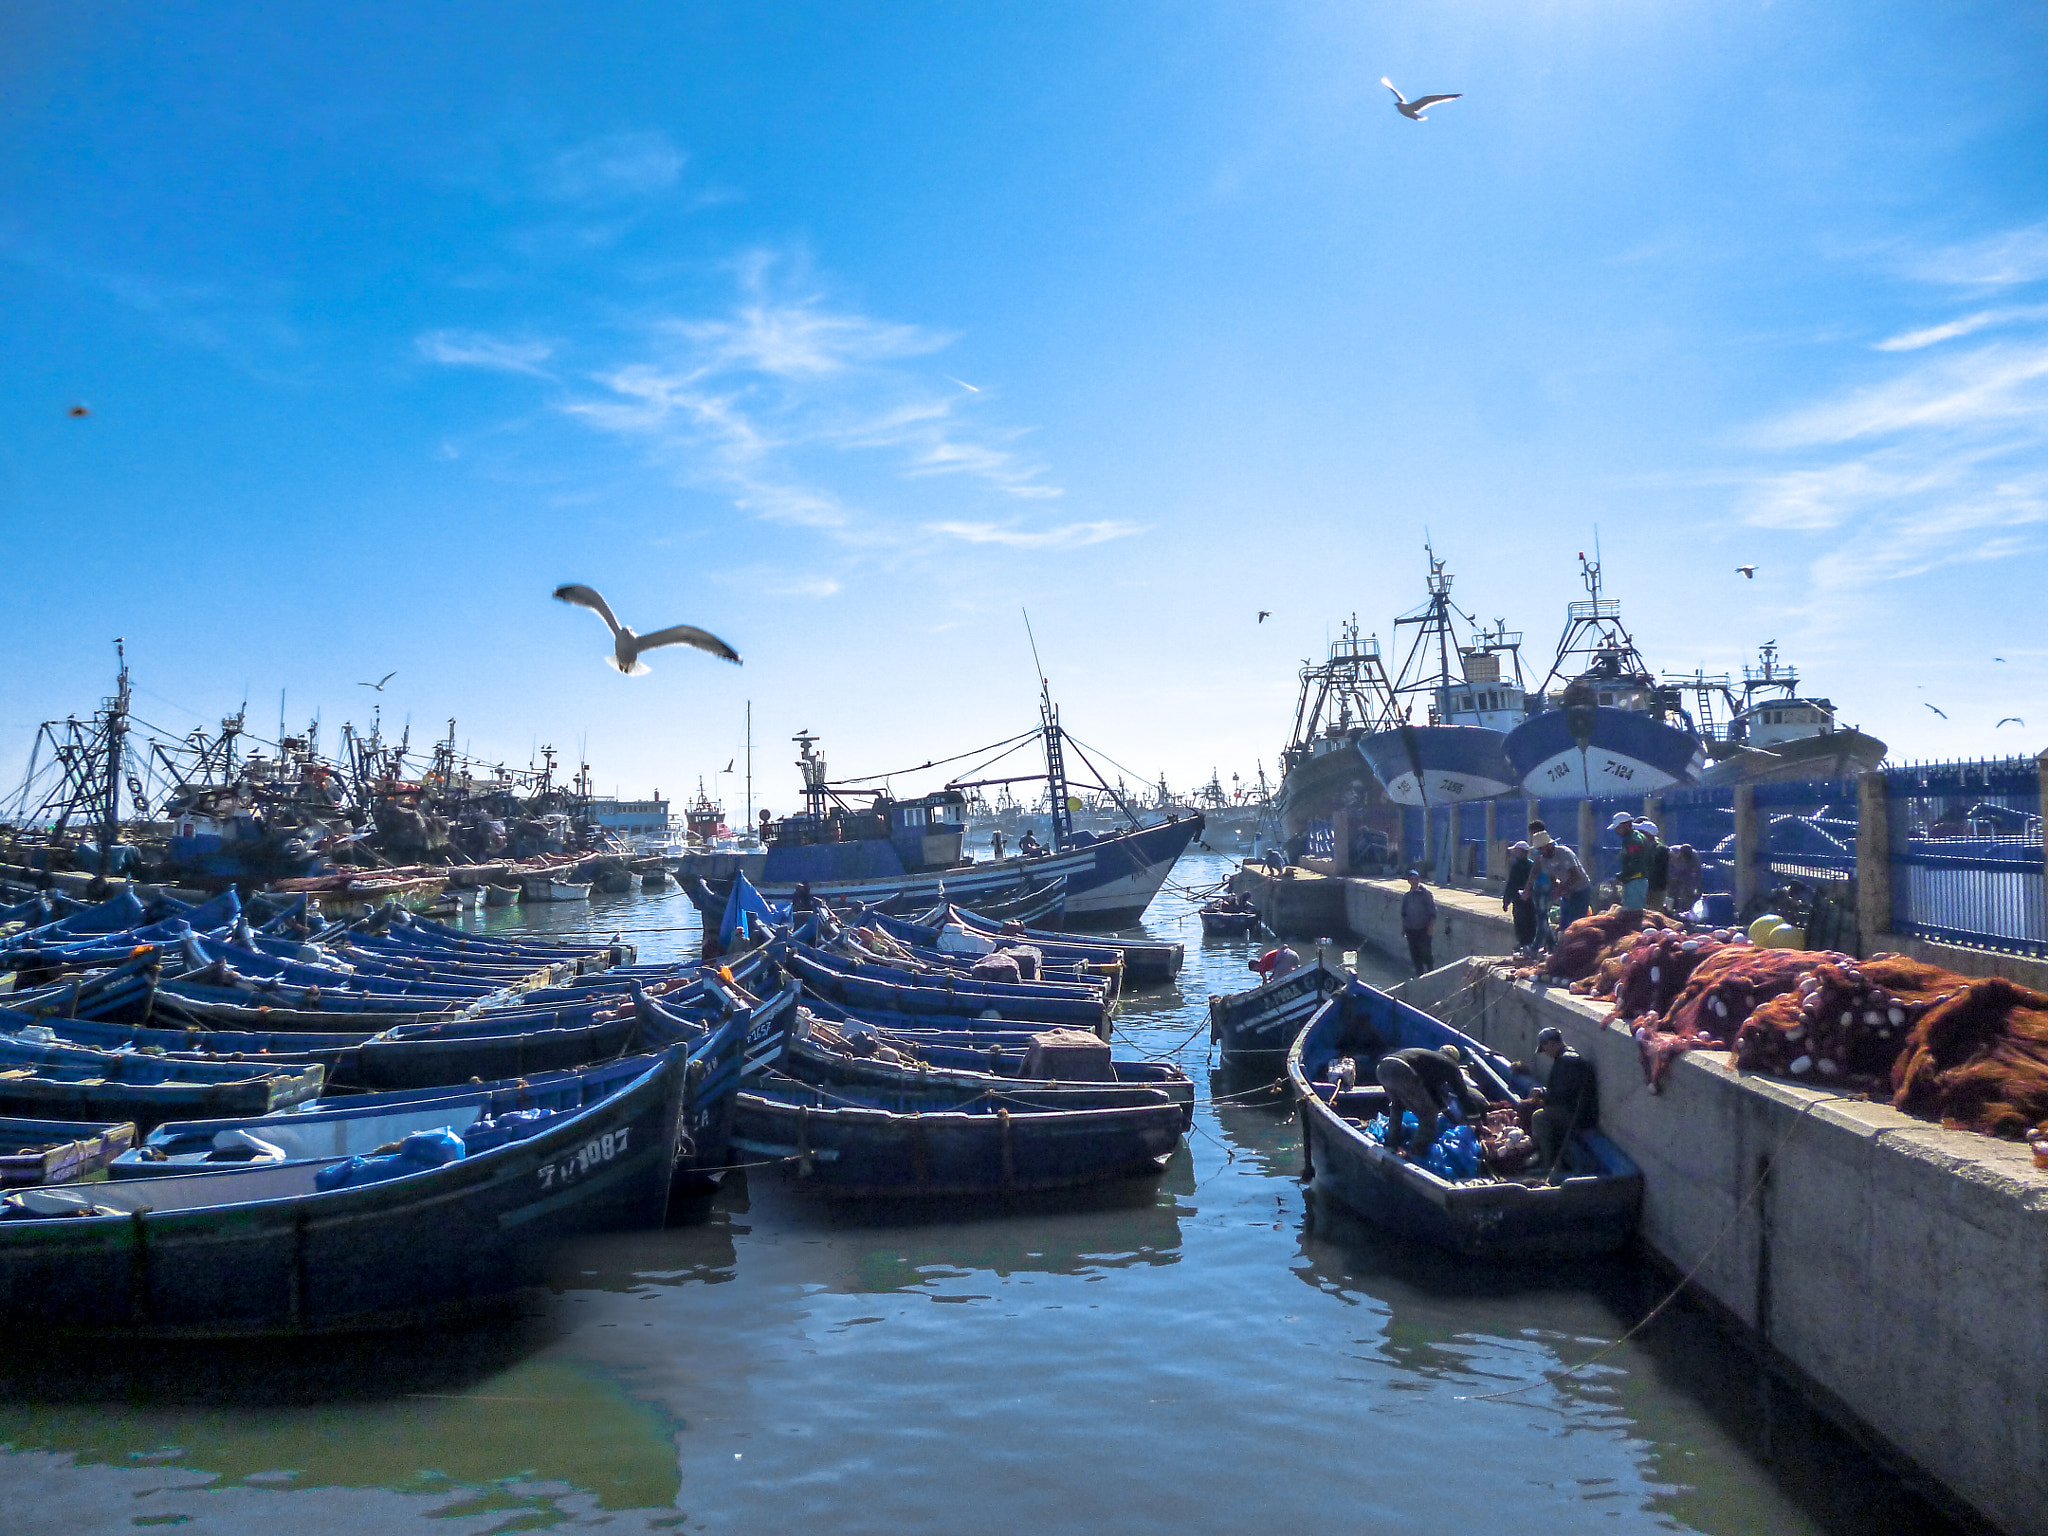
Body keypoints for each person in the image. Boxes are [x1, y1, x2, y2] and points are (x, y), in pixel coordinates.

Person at [1375, 1043, 1491, 1157]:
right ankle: (1415, 1153)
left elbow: (1434, 1094)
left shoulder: (1429, 1061)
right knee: (1428, 1116)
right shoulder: (1450, 1066)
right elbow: (1463, 1094)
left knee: (1397, 1106)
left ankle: (1391, 1145)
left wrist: (1449, 1116)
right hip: (1402, 1069)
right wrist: (1478, 1123)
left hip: (1383, 1068)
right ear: (1455, 1060)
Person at [1531, 1025, 1599, 1176]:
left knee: (1539, 1117)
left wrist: (1542, 1095)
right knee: (1542, 1112)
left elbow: (1563, 1095)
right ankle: (1544, 1156)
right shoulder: (1566, 1058)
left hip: (1577, 1115)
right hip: (1575, 1110)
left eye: (1544, 1048)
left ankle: (1548, 1164)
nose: (1546, 1054)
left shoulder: (1566, 1061)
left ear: (1550, 1043)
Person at [1532, 830, 1591, 932]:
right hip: (1566, 891)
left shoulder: (1564, 853)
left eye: (1542, 848)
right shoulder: (1544, 860)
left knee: (1576, 923)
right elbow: (1552, 879)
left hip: (1581, 889)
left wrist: (1561, 890)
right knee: (1564, 923)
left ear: (1549, 845)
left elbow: (1576, 876)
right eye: (1539, 849)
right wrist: (1556, 891)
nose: (1541, 851)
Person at [1611, 811, 1652, 910]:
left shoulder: (1633, 841)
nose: (1617, 831)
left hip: (1635, 882)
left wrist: (1620, 876)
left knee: (1632, 914)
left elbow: (1635, 864)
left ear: (1626, 825)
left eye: (1618, 828)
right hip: (1639, 881)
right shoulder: (1638, 836)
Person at [1501, 839, 1537, 952]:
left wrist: (1506, 901)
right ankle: (1531, 945)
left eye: (1516, 851)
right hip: (1532, 899)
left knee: (1520, 923)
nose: (1514, 853)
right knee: (1531, 922)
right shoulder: (1532, 864)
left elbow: (1511, 884)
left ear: (1521, 852)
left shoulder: (1515, 866)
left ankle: (1522, 944)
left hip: (1519, 900)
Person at [1399, 869, 1437, 975]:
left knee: (1426, 953)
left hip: (1423, 929)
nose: (1414, 881)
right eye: (1412, 879)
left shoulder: (1426, 894)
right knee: (1415, 954)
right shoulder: (1406, 896)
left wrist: (1430, 928)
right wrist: (1403, 928)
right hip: (1410, 930)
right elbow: (1404, 914)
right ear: (1408, 881)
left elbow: (1432, 913)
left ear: (1419, 880)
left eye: (1416, 879)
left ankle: (1431, 973)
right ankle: (1419, 975)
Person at [1665, 842, 1702, 917]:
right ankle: (1668, 912)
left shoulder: (1694, 857)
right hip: (1671, 874)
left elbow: (1698, 873)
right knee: (1670, 894)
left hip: (1686, 876)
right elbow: (1665, 867)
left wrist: (1698, 887)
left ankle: (1685, 911)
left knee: (1687, 892)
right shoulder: (1671, 852)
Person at [1639, 821, 1669, 911]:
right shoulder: (1646, 848)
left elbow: (1657, 872)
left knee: (1654, 913)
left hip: (1656, 890)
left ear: (1647, 834)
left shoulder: (1660, 849)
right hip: (1646, 888)